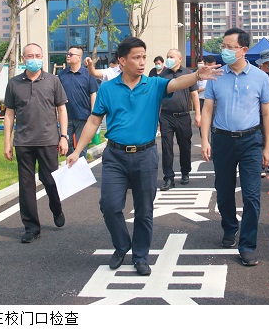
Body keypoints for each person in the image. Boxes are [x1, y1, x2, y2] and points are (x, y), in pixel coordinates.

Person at [67, 37, 221, 276]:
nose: (142, 62)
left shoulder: (154, 84)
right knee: (109, 205)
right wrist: (78, 151)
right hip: (115, 156)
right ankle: (122, 246)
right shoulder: (107, 88)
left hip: (145, 156)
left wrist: (197, 75)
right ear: (122, 61)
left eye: (144, 57)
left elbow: (177, 83)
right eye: (136, 58)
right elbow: (94, 121)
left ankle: (140, 256)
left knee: (144, 210)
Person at [200, 28, 269, 267]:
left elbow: (267, 114)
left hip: (251, 141)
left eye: (230, 47)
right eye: (223, 46)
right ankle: (230, 227)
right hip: (222, 140)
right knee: (223, 191)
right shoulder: (216, 76)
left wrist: (268, 147)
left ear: (244, 50)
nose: (225, 51)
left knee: (251, 196)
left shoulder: (261, 77)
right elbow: (207, 110)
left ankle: (248, 245)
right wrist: (205, 140)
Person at [3, 43, 68, 243]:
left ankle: (56, 207)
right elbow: (9, 114)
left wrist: (63, 136)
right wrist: (7, 143)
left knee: (50, 180)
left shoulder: (53, 80)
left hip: (48, 140)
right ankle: (31, 227)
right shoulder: (14, 83)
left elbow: (62, 109)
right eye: (30, 56)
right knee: (26, 186)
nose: (34, 59)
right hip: (23, 142)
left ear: (42, 57)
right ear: (23, 59)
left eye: (38, 55)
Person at [158, 49, 201, 190]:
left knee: (185, 146)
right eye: (167, 56)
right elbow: (157, 98)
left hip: (183, 116)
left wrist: (198, 114)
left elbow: (194, 95)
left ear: (180, 59)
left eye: (172, 57)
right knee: (166, 147)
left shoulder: (188, 74)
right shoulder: (162, 75)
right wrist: (157, 117)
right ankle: (168, 178)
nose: (169, 59)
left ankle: (185, 172)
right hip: (166, 116)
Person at [58, 46, 98, 158]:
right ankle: (71, 167)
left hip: (83, 117)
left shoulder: (88, 74)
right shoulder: (62, 74)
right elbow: (57, 96)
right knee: (67, 146)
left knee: (81, 148)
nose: (68, 56)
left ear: (79, 57)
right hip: (66, 117)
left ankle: (81, 168)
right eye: (67, 54)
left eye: (71, 54)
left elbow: (93, 94)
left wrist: (93, 114)